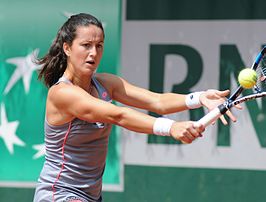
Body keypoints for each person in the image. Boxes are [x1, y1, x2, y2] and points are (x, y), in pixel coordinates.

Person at [33, 13, 239, 202]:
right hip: (59, 193)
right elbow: (118, 115)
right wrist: (171, 128)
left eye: (99, 46)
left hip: (91, 196)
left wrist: (199, 97)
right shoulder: (62, 94)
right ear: (67, 48)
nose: (93, 53)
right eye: (86, 45)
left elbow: (156, 102)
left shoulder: (106, 84)